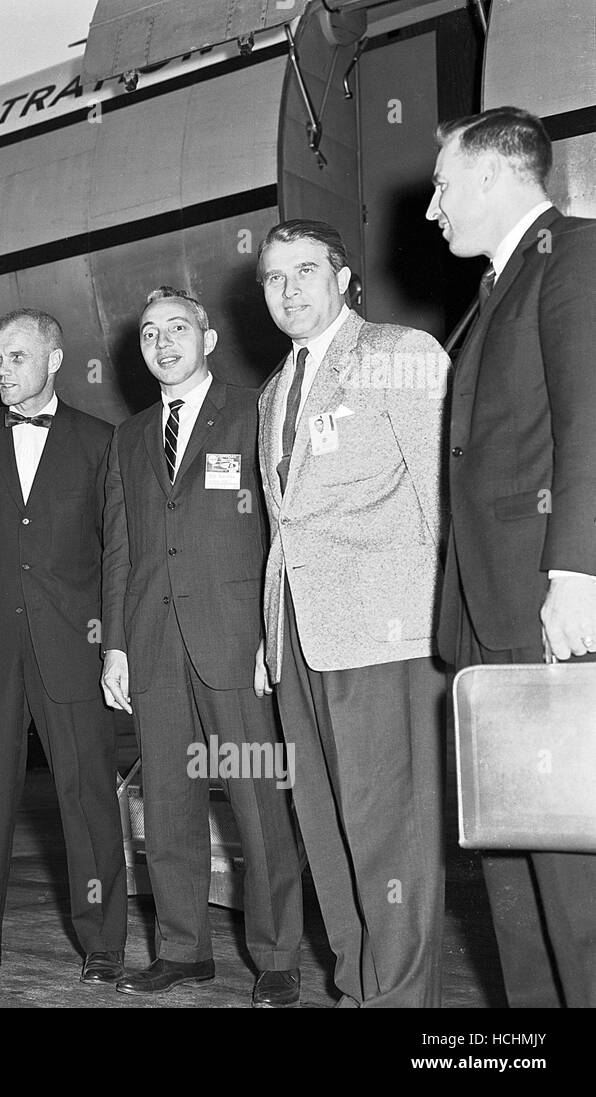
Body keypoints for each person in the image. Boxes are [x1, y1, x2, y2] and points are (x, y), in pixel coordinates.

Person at [255, 220, 449, 1007]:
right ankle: (360, 991)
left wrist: (453, 627)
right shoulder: (274, 390)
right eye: (273, 278)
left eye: (306, 270)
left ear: (342, 277)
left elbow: (442, 500)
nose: (290, 288)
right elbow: (284, 526)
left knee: (389, 835)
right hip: (299, 637)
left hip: (385, 633)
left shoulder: (400, 355)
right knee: (328, 833)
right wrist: (267, 638)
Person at [428, 106, 596, 1008]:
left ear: (496, 174)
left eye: (444, 185)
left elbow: (591, 421)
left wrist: (578, 574)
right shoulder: (497, 288)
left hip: (548, 611)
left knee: (574, 879)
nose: (431, 209)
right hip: (490, 623)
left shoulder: (575, 256)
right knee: (510, 867)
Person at [101, 287, 303, 1005]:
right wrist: (116, 647)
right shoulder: (127, 437)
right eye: (150, 332)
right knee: (168, 801)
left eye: (177, 328)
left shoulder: (255, 410)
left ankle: (278, 955)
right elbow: (120, 548)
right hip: (154, 646)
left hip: (235, 642)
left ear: (208, 338)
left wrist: (271, 631)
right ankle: (183, 948)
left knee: (257, 801)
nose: (162, 342)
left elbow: (284, 527)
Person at [0, 308, 128, 987]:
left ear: (54, 359)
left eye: (16, 356)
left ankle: (103, 943)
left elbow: (116, 557)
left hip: (72, 647)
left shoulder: (101, 442)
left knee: (87, 799)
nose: (2, 369)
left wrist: (113, 646)